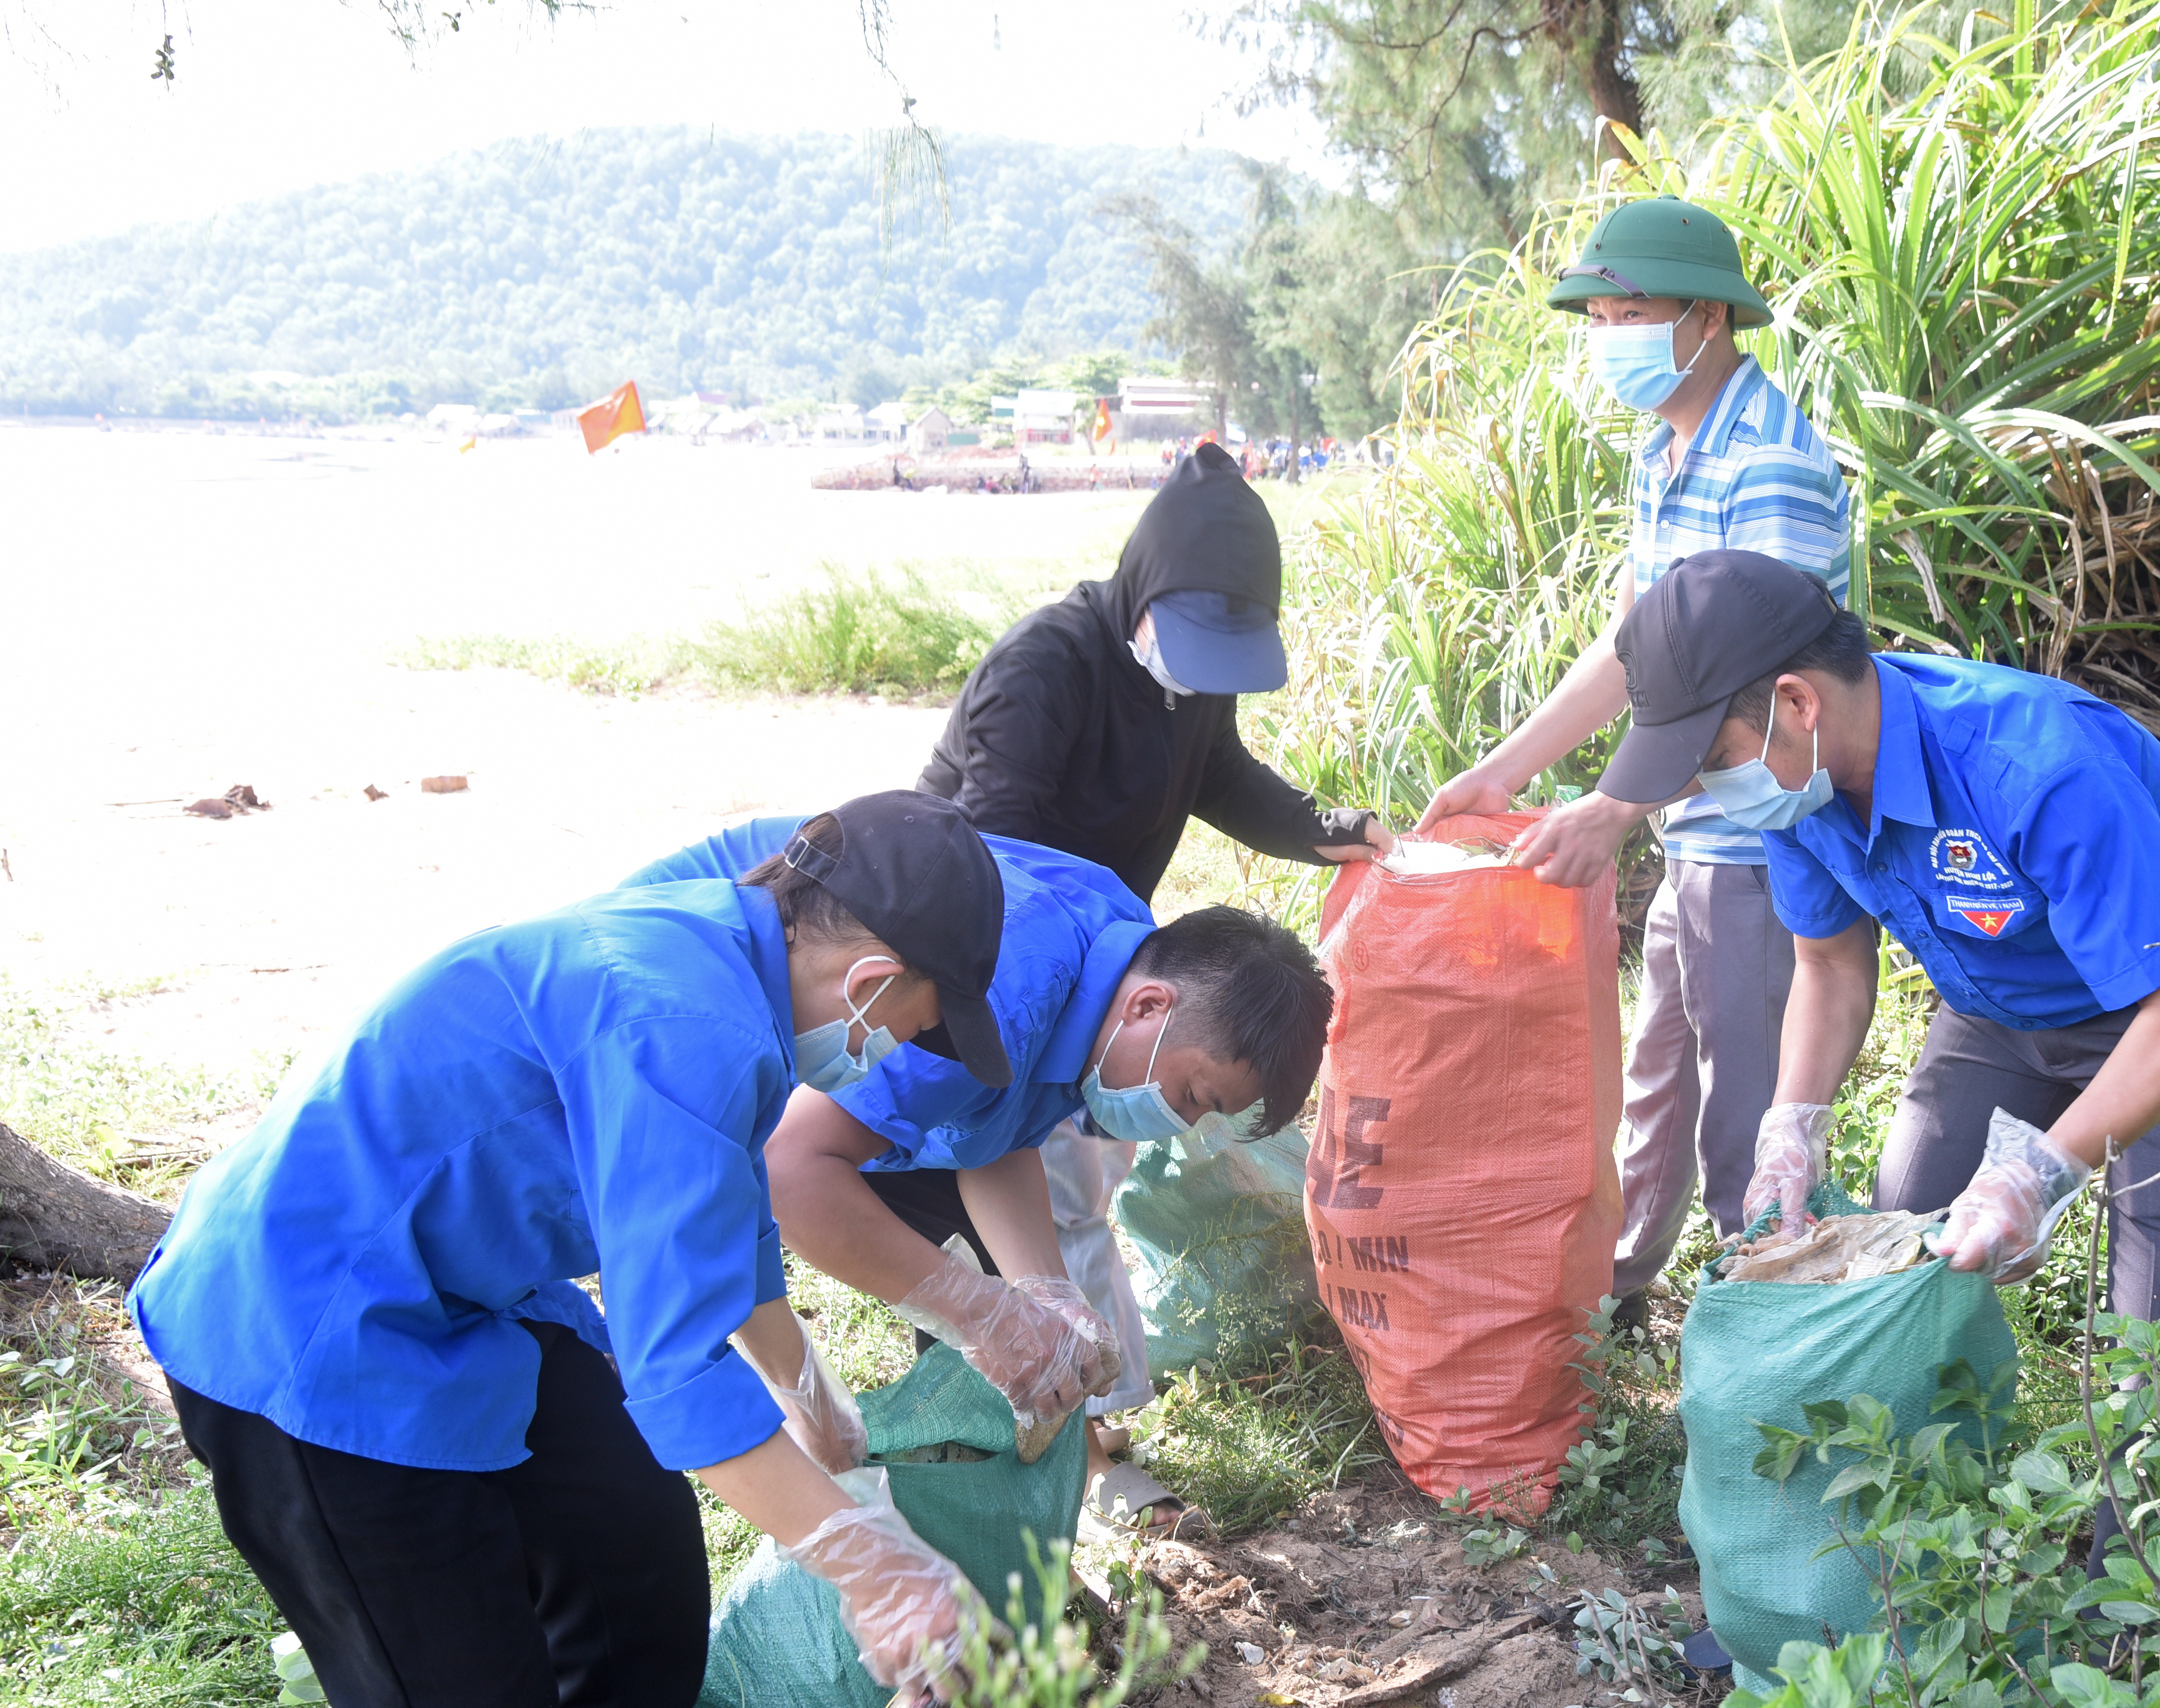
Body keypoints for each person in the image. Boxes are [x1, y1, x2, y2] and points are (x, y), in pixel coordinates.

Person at [125, 793, 1103, 1708]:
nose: (900, 1053)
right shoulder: (688, 1017)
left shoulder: (733, 961)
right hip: (308, 1321)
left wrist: (805, 1391)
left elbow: (705, 1216)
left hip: (472, 1285)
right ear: (871, 986)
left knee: (636, 1563)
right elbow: (673, 1367)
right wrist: (870, 1567)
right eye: (916, 1030)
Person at [1600, 551, 2160, 1572]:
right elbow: (1828, 967)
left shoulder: (2033, 763)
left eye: (1712, 756)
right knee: (1884, 1284)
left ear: (1794, 701)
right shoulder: (1799, 787)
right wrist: (1791, 1125)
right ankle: (1887, 1584)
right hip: (1993, 1012)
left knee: (2159, 1360)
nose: (1705, 788)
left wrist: (2039, 1171)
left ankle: (2136, 1640)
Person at [914, 439, 1390, 1525]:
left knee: (1086, 1187)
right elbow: (986, 848)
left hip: (1116, 981)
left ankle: (1095, 1415)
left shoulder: (1192, 689)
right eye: (1189, 639)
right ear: (1140, 589)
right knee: (1034, 1195)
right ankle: (1061, 1446)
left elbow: (1222, 779)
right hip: (1002, 976)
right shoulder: (1048, 666)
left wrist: (1335, 831)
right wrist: (1052, 995)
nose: (1202, 667)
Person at [622, 814, 1339, 1530]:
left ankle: (955, 1512)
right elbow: (793, 1167)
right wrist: (977, 1314)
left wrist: (1047, 1292)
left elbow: (993, 1130)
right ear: (1150, 1006)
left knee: (985, 1293)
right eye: (1192, 1098)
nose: (1179, 1124)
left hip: (762, 1033)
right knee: (701, 1287)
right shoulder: (1004, 994)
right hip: (660, 998)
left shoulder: (1121, 958)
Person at [1418, 195, 1858, 1327]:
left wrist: (1613, 807)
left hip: (1761, 835)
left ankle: (1765, 1318)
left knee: (1745, 1103)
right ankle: (1619, 1292)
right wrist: (1505, 770)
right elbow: (1637, 649)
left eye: (1632, 310)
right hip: (1691, 827)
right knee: (1657, 1072)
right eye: (1599, 312)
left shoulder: (1768, 463)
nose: (1610, 330)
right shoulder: (1663, 451)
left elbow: (1746, 675)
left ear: (1707, 318)